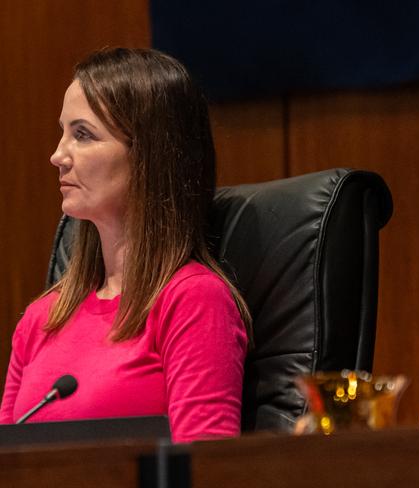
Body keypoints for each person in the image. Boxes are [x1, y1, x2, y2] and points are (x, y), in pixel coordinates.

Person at [0, 48, 251, 443]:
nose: (57, 155)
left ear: (148, 156)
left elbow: (205, 471)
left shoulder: (193, 301)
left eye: (82, 134)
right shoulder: (39, 319)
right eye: (62, 132)